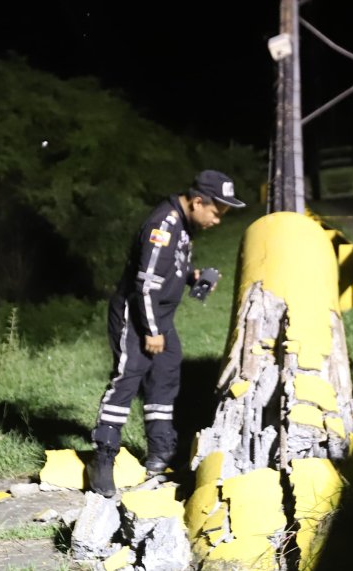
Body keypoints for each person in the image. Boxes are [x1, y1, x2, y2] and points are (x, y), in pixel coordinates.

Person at [88, 169, 245, 497]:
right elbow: (144, 284)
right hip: (137, 317)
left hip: (159, 318)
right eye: (216, 213)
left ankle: (160, 455)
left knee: (165, 375)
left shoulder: (184, 227)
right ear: (198, 201)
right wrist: (153, 331)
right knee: (128, 377)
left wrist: (193, 275)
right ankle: (102, 458)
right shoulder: (164, 225)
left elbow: (170, 266)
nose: (217, 221)